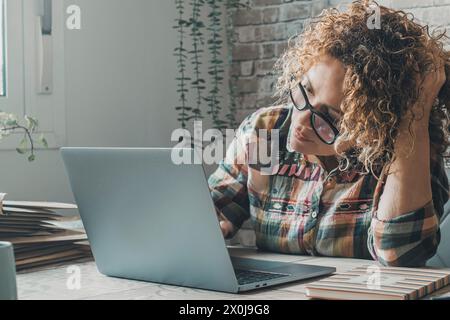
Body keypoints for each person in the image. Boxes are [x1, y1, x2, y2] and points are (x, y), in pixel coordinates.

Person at [208, 0, 450, 267]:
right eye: (306, 91)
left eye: (328, 118)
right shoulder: (265, 130)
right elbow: (214, 205)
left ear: (373, 126)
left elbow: (402, 252)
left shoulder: (405, 149)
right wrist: (208, 222)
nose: (300, 121)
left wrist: (414, 112)